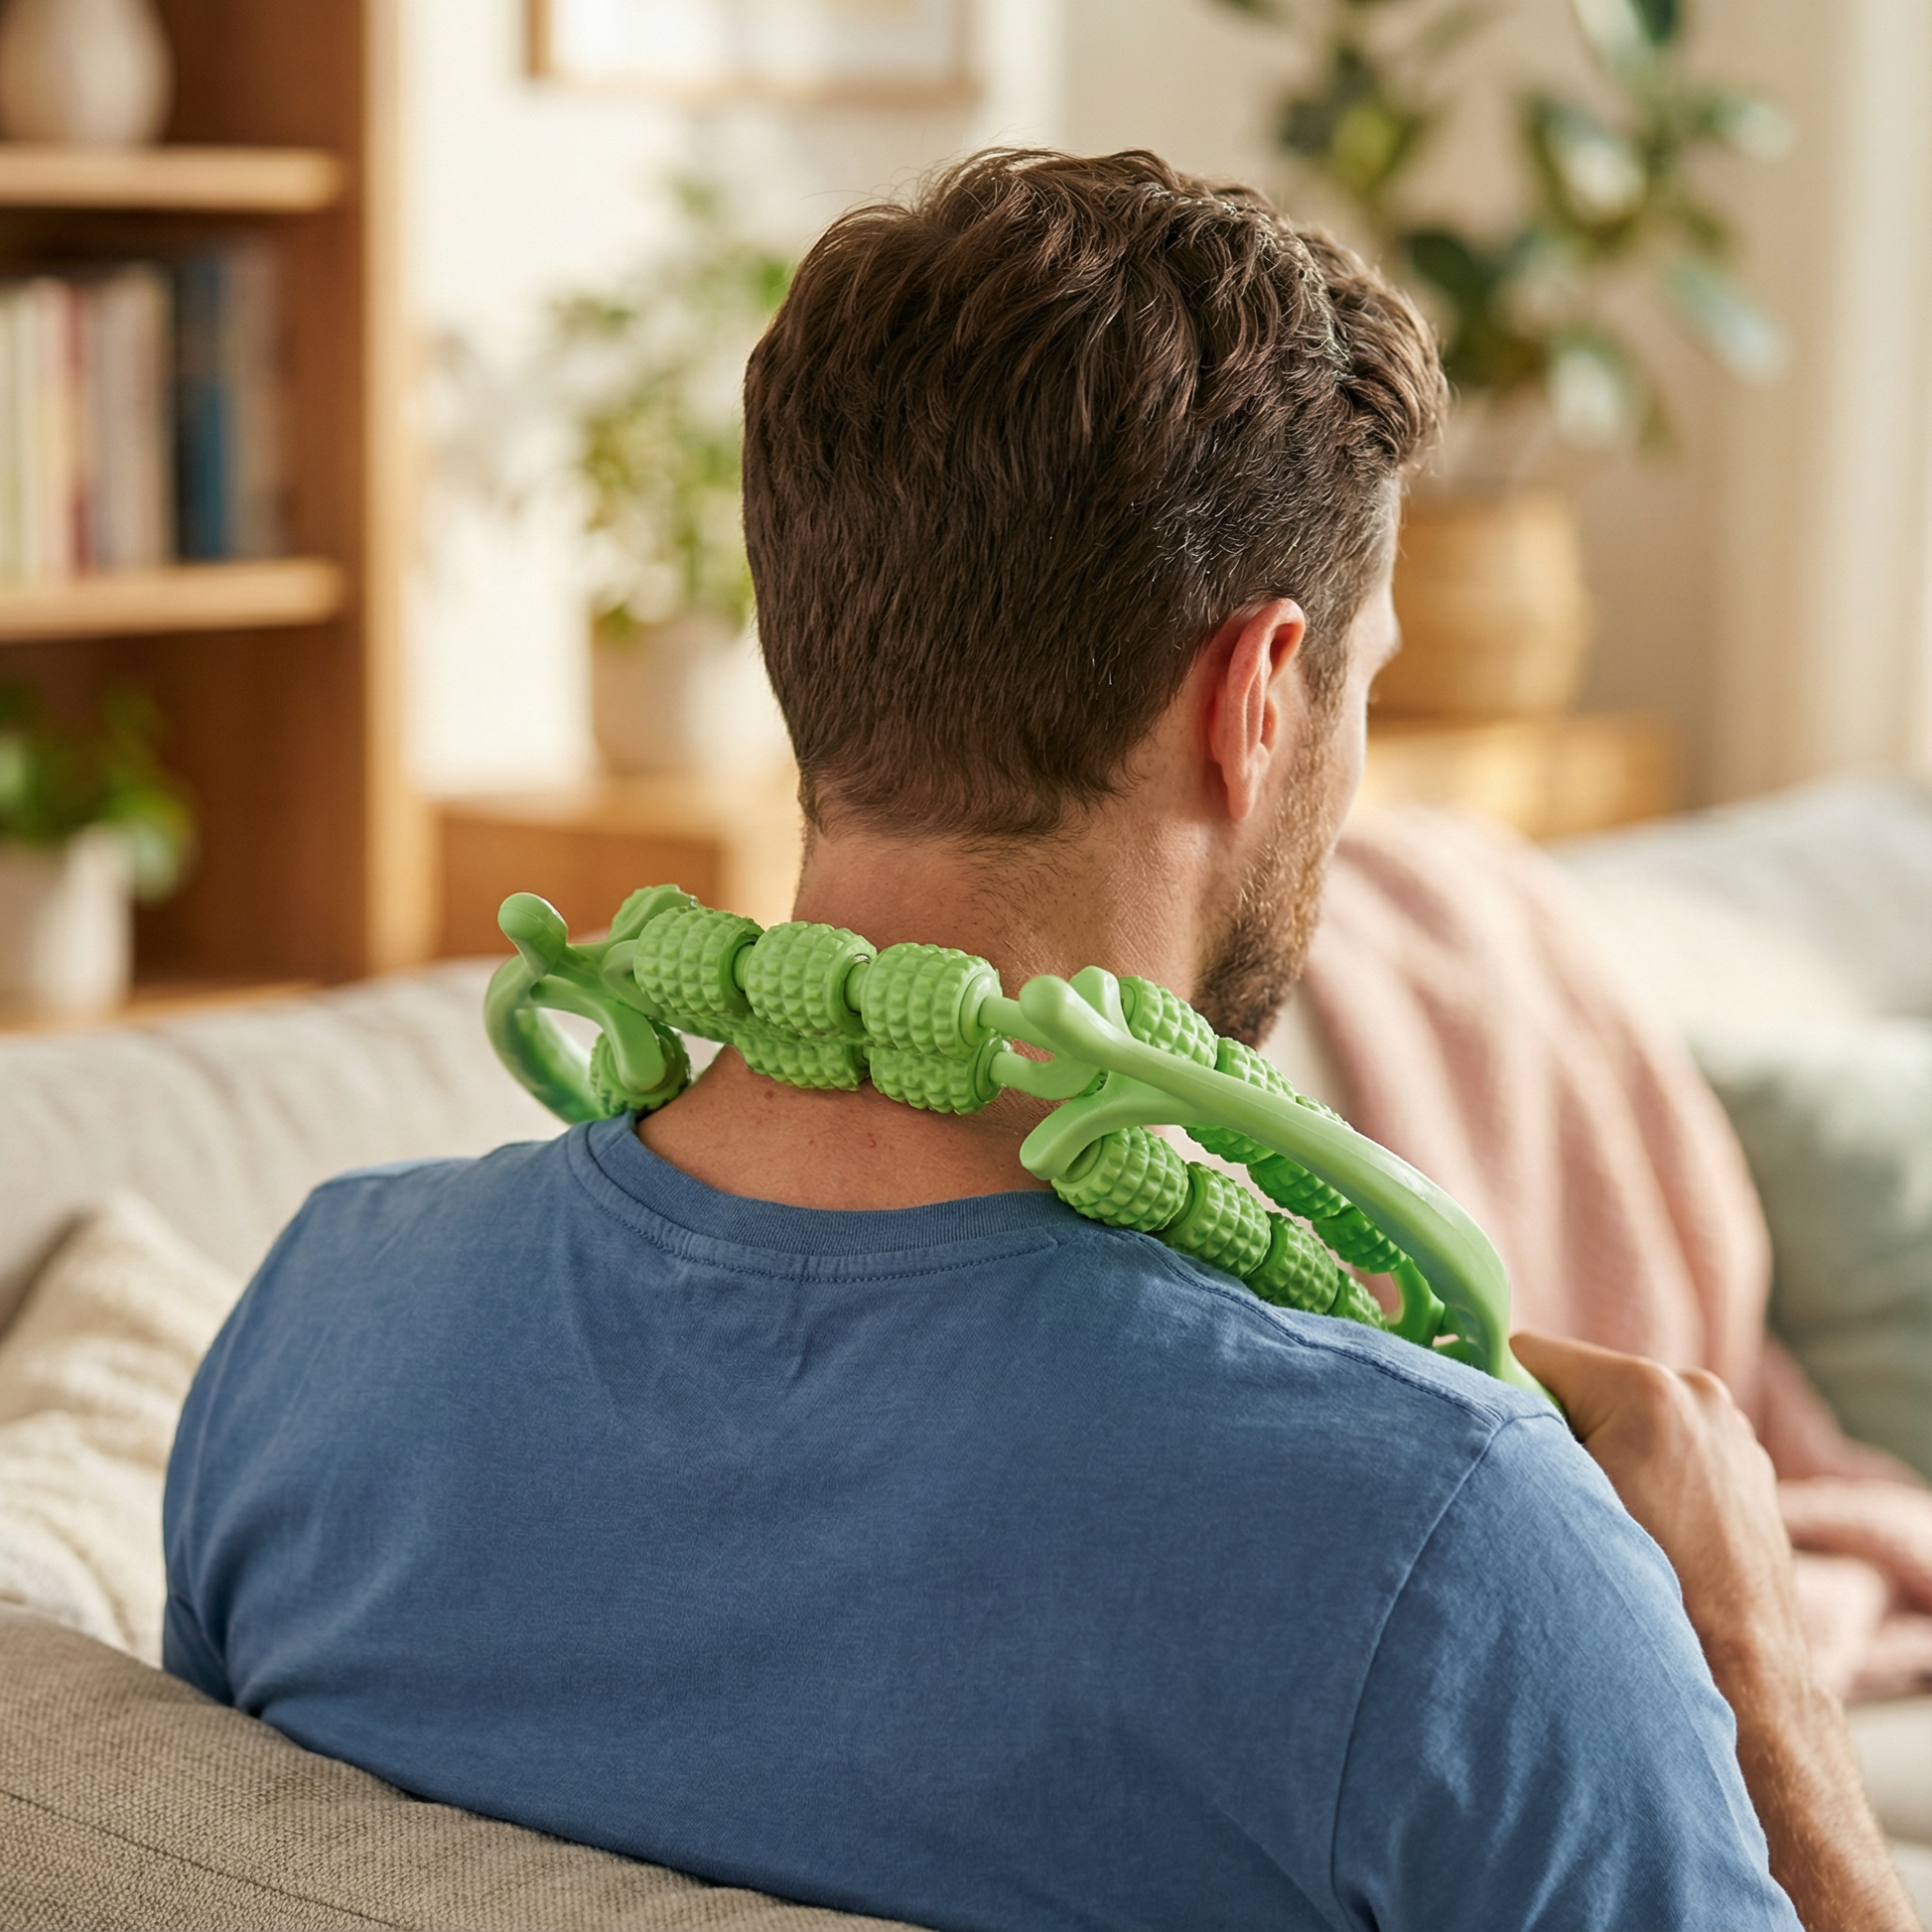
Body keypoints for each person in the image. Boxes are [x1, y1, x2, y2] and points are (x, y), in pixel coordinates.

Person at [163, 150, 1913, 1932]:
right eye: (1361, 690)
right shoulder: (1459, 1553)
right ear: (1255, 695)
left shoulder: (313, 1333)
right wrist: (1755, 1679)